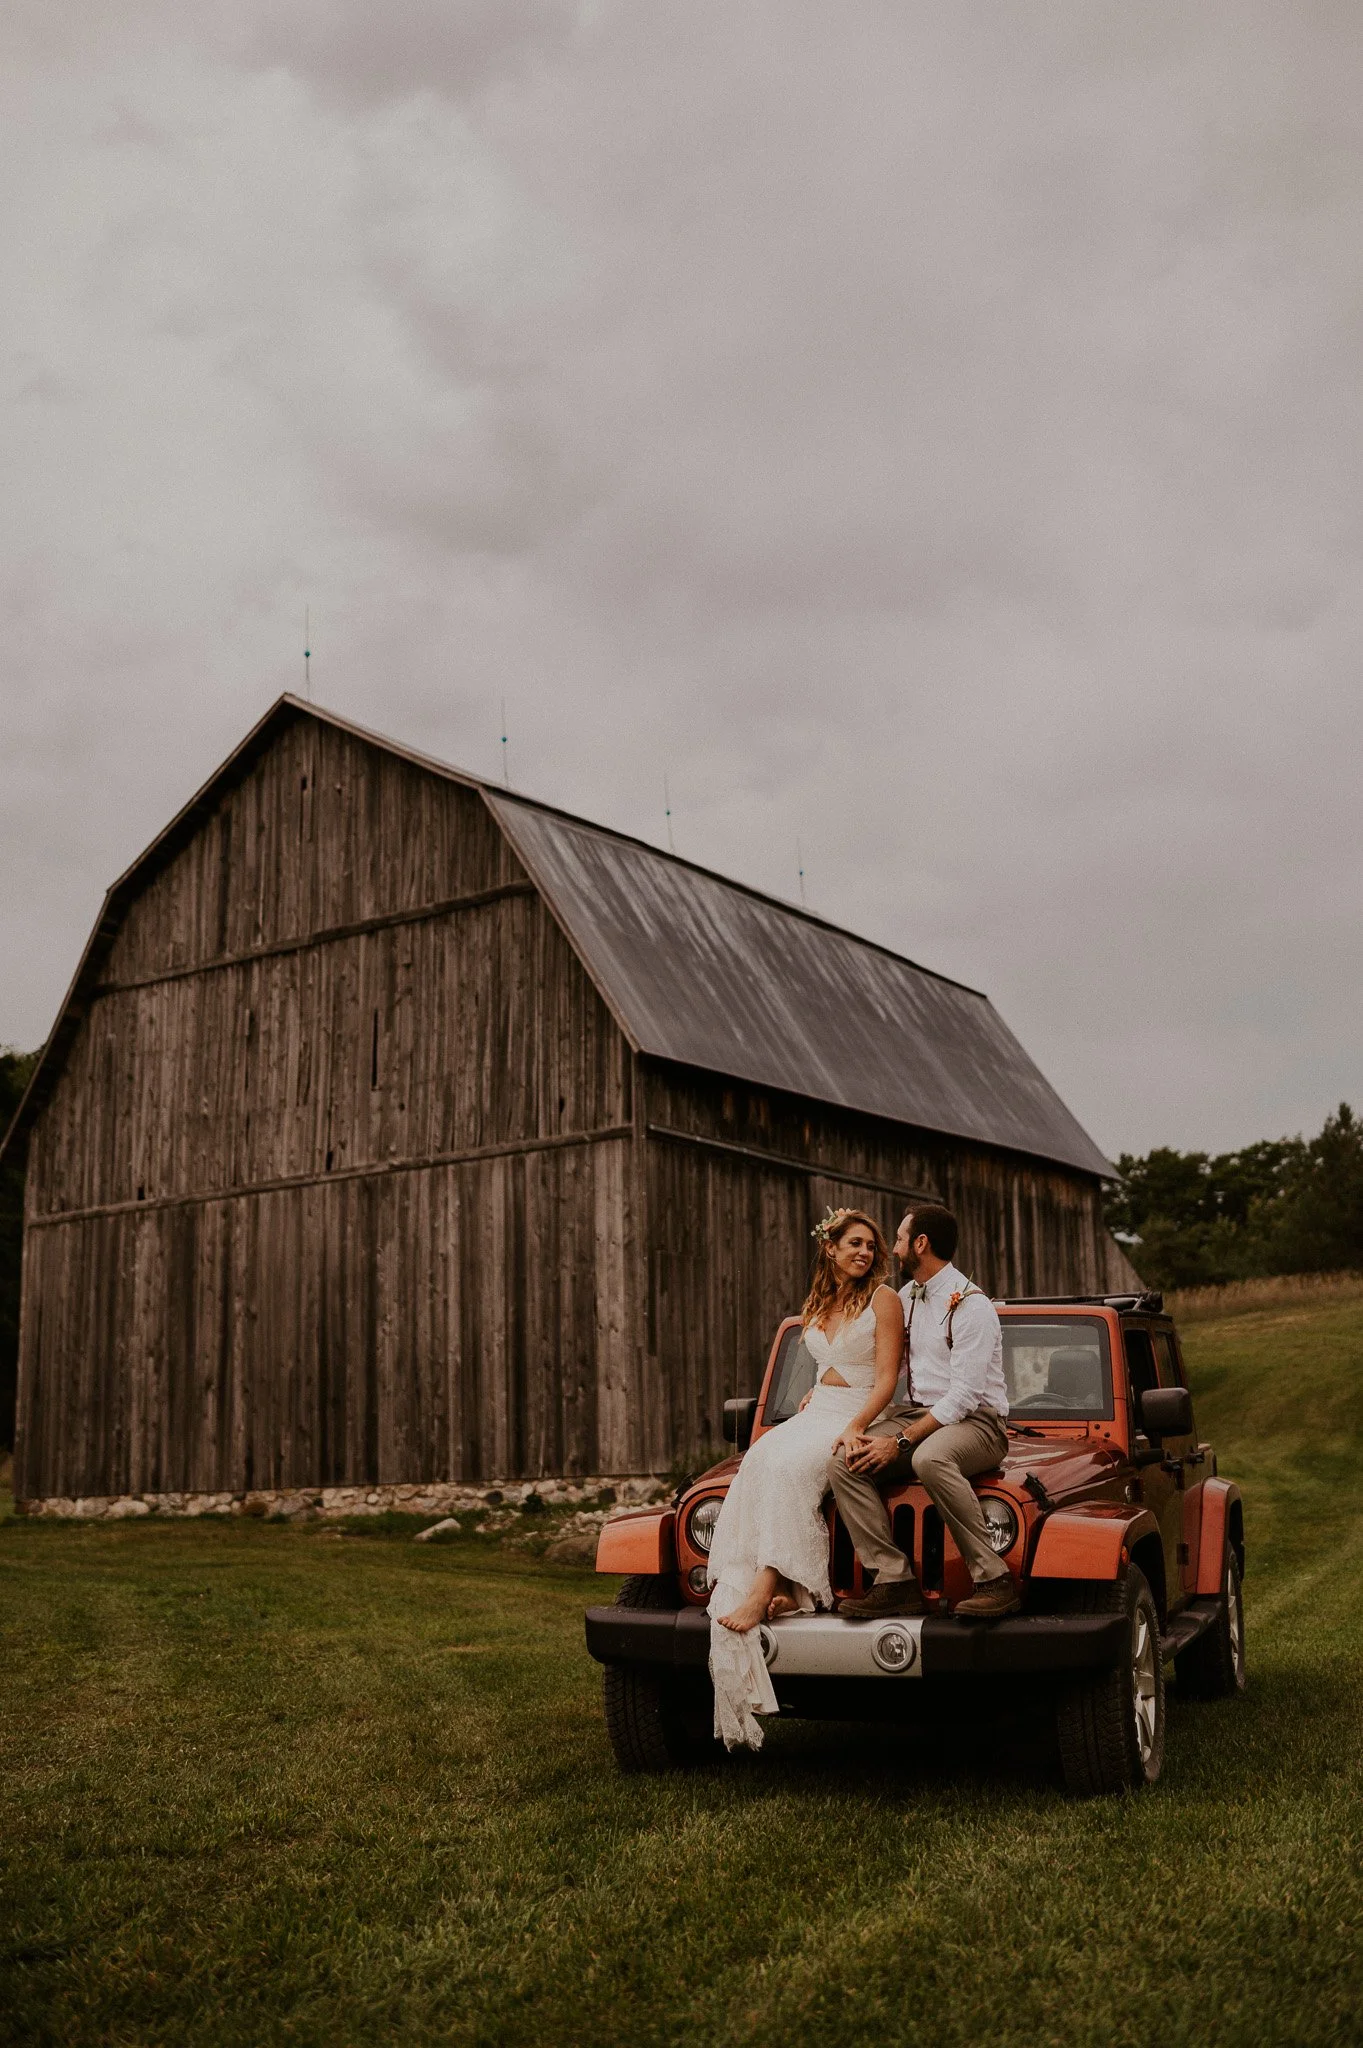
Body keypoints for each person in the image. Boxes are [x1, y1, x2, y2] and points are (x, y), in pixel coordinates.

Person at [706, 1207, 905, 1750]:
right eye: (854, 1244)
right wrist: (816, 1393)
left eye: (870, 1244)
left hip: (864, 1413)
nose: (864, 1252)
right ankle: (793, 1593)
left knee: (791, 1469)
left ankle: (766, 1589)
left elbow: (887, 1378)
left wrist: (855, 1424)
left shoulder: (884, 1299)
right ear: (831, 1249)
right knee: (759, 1460)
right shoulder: (819, 1303)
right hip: (820, 1409)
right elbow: (825, 1364)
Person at [827, 1202, 1019, 1619]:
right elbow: (885, 1366)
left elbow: (965, 1396)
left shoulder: (971, 1306)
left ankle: (994, 1578)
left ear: (921, 1243)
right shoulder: (904, 1298)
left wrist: (898, 1442)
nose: (892, 1249)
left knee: (932, 1459)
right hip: (917, 1414)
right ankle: (893, 1579)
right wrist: (825, 1387)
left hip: (979, 1422)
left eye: (898, 1239)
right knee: (845, 1461)